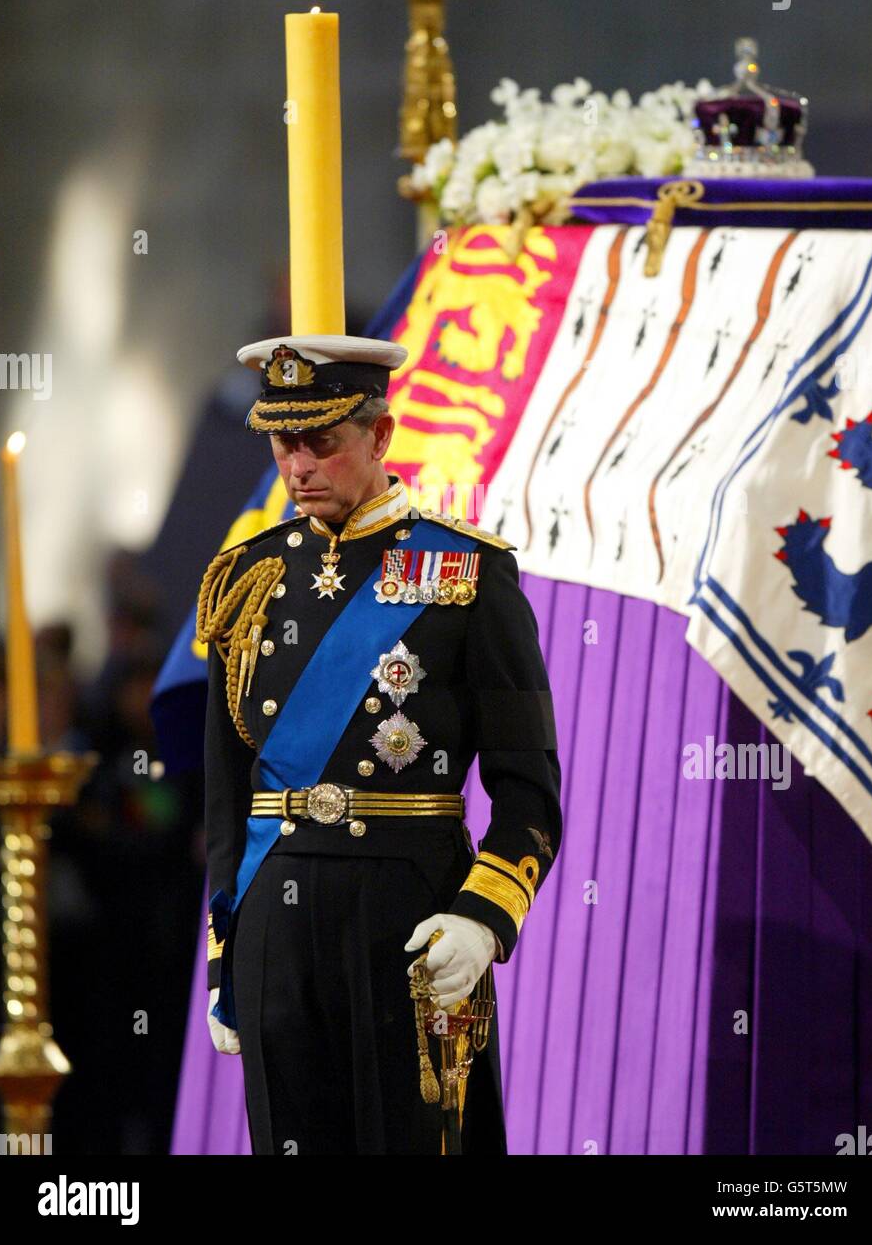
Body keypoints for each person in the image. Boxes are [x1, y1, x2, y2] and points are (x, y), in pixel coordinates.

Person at [198, 332, 562, 1155]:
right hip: (275, 928)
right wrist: (229, 952)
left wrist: (481, 917)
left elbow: (528, 788)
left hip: (411, 915)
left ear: (380, 435)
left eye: (322, 440)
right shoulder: (245, 578)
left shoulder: (464, 571)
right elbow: (226, 794)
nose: (299, 465)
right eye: (284, 442)